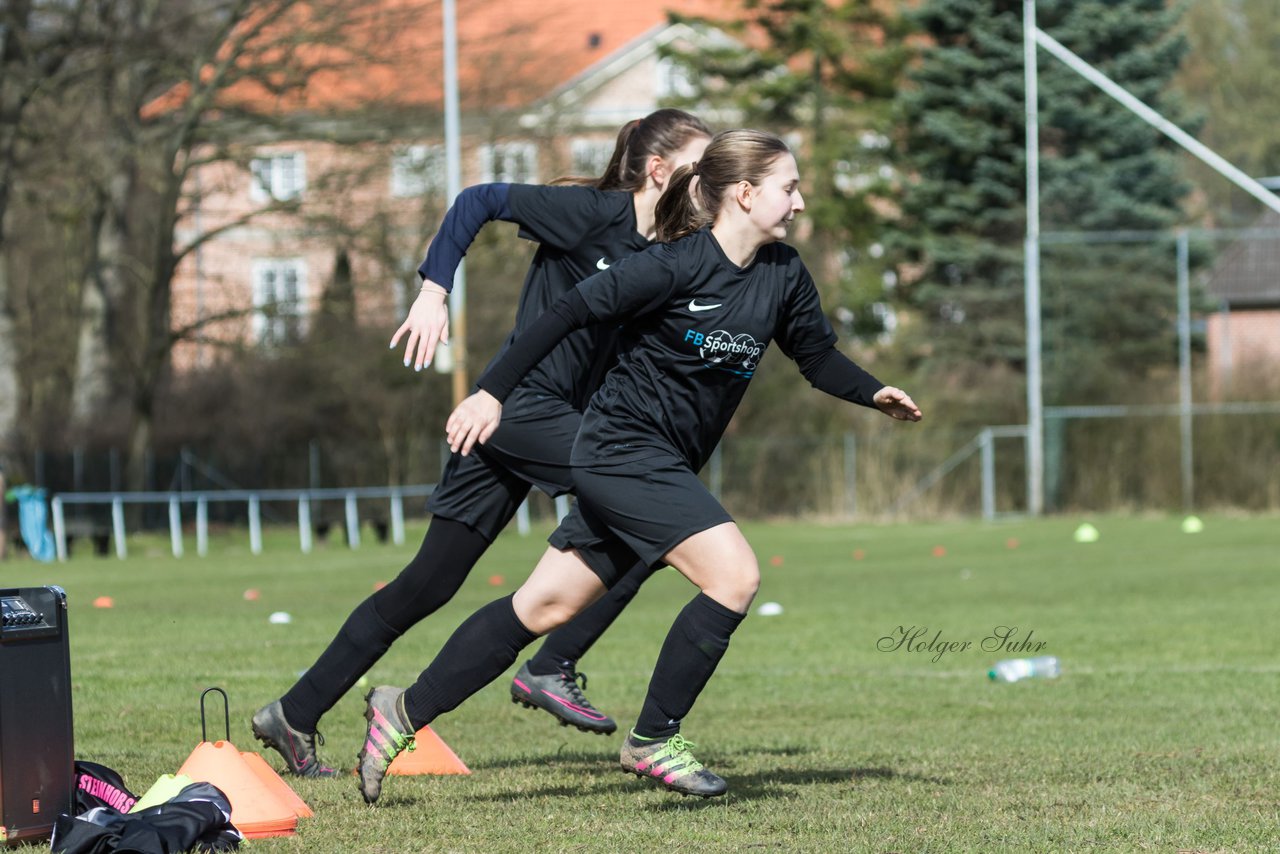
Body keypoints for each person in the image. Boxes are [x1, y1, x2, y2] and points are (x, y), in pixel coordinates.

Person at [355, 129, 922, 803]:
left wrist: (873, 391)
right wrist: (491, 392)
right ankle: (655, 739)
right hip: (620, 449)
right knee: (735, 576)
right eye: (789, 187)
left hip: (663, 461)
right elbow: (564, 314)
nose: (799, 202)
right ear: (745, 194)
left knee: (543, 604)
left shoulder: (783, 274)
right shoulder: (673, 265)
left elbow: (816, 358)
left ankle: (401, 710)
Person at [250, 109, 712, 777]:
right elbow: (478, 200)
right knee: (657, 511)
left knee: (424, 587)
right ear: (660, 170)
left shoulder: (667, 249)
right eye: (701, 168)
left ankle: (293, 713)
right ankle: (551, 665)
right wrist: (433, 292)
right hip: (516, 406)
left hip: (518, 422)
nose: (711, 182)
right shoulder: (589, 213)